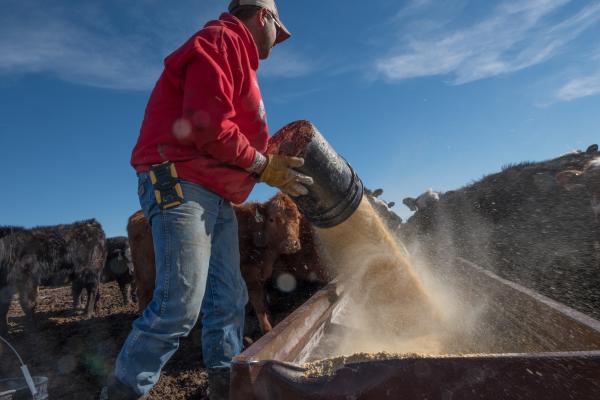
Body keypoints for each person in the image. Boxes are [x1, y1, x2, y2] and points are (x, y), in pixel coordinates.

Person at [101, 1, 312, 399]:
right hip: (179, 179)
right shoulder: (220, 41)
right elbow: (208, 126)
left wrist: (266, 158)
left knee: (228, 298)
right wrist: (264, 164)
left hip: (213, 191)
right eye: (277, 31)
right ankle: (123, 392)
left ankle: (225, 386)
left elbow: (228, 130)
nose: (277, 41)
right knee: (178, 303)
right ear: (262, 17)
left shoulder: (241, 60)